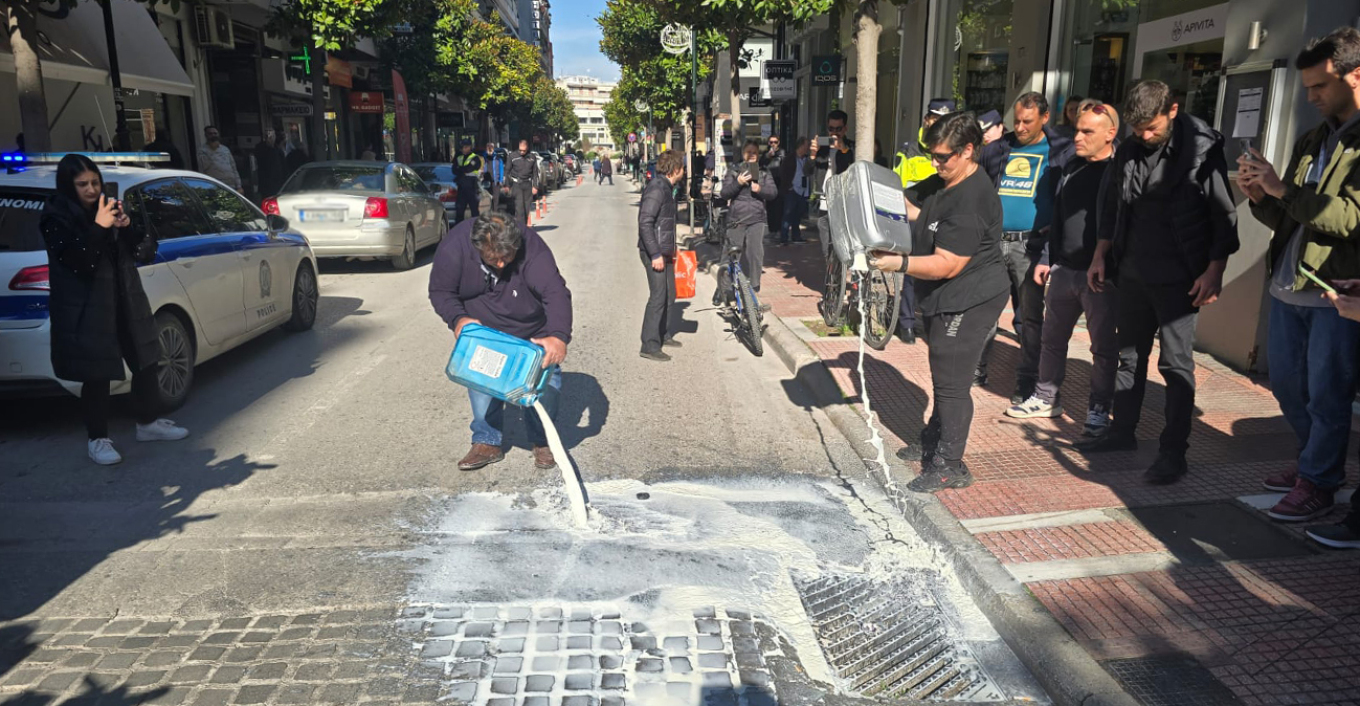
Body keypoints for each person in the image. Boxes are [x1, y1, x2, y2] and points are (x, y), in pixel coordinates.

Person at [1079, 80, 1239, 486]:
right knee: (1128, 357)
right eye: (1137, 129)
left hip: (1180, 278)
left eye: (1151, 127)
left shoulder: (1202, 150)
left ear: (1173, 110)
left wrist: (1215, 270)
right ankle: (1121, 433)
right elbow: (1113, 206)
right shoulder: (1130, 149)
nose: (1145, 135)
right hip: (1133, 272)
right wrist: (1100, 254)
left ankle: (1173, 453)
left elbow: (1223, 214)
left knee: (1175, 365)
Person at [1237, 26, 1360, 523]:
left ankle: (1319, 480)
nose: (1311, 97)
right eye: (1307, 87)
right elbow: (1291, 215)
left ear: (1356, 76)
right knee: (1289, 388)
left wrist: (1283, 190)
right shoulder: (1314, 138)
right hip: (1289, 285)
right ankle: (1314, 463)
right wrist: (1261, 196)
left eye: (1320, 86)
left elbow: (1351, 219)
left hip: (1335, 293)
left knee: (1328, 395)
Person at [868, 112, 1009, 492]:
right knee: (943, 373)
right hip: (945, 292)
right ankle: (934, 437)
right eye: (932, 154)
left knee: (952, 381)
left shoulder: (972, 199)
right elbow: (912, 206)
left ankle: (950, 465)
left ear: (968, 150)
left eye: (943, 156)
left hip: (972, 295)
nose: (935, 163)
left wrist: (897, 263)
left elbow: (948, 264)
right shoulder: (946, 179)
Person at [41, 154, 190, 465]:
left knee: (146, 358)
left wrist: (128, 226)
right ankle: (97, 439)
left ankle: (148, 423)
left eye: (94, 182)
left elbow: (143, 251)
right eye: (82, 184)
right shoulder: (56, 217)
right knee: (97, 374)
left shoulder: (108, 207)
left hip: (125, 297)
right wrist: (99, 226)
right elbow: (79, 261)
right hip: (87, 307)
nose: (91, 189)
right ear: (68, 186)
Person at [1007, 100, 1120, 439]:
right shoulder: (1071, 166)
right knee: (1052, 340)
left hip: (1100, 277)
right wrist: (1046, 258)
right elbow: (1057, 217)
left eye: (1087, 132)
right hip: (1063, 270)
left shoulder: (1120, 171)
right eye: (1077, 130)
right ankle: (1046, 397)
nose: (1077, 138)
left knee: (1103, 348)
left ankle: (1099, 408)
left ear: (1110, 134)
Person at [428, 212, 572, 472]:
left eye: (508, 256)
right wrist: (458, 319)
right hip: (485, 331)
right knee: (483, 385)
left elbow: (555, 292)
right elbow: (441, 291)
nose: (502, 263)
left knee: (544, 387)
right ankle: (487, 441)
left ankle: (543, 440)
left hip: (531, 329)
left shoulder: (532, 248)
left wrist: (558, 336)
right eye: (493, 258)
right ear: (477, 247)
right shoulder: (454, 247)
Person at [975, 92, 1074, 402]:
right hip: (993, 244)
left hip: (1029, 246)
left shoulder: (1061, 151)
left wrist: (1056, 229)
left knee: (1030, 318)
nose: (1019, 127)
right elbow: (977, 184)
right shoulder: (997, 149)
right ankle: (975, 369)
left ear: (1044, 118)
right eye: (1016, 120)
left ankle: (1027, 379)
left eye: (1027, 122)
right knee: (984, 311)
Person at [893, 99, 957, 345]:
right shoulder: (910, 149)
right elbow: (897, 185)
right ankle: (907, 323)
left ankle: (934, 322)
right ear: (926, 119)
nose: (938, 123)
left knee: (942, 272)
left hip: (945, 218)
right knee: (913, 272)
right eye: (934, 118)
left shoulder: (956, 149)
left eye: (944, 119)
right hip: (916, 219)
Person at [638, 150, 686, 361]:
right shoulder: (657, 188)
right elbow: (645, 222)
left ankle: (663, 334)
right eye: (682, 168)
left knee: (669, 294)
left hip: (664, 250)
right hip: (654, 252)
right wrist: (655, 253)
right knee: (658, 296)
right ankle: (649, 345)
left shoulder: (667, 187)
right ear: (675, 169)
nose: (684, 171)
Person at [719, 140, 777, 299]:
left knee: (756, 252)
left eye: (754, 152)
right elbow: (724, 193)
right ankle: (723, 289)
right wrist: (737, 183)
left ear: (758, 155)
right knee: (731, 253)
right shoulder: (734, 171)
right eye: (748, 152)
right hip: (737, 218)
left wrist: (760, 189)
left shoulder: (763, 172)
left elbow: (773, 193)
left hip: (756, 218)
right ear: (743, 154)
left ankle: (755, 287)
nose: (751, 155)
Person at [811, 109, 856, 260]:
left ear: (845, 129)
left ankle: (843, 271)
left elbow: (853, 165)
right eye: (831, 129)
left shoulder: (851, 147)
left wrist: (843, 149)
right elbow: (807, 171)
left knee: (842, 246)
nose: (834, 133)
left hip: (843, 202)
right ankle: (831, 274)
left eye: (838, 129)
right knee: (826, 248)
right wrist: (812, 154)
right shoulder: (822, 148)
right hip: (824, 202)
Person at [894, 99, 956, 188]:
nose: (941, 125)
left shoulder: (960, 152)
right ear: (926, 120)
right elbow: (897, 189)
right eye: (936, 119)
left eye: (946, 121)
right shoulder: (908, 152)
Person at [778, 137, 812, 245]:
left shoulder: (806, 159)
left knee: (798, 214)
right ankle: (784, 237)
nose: (808, 148)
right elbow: (783, 172)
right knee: (788, 214)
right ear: (801, 146)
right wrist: (788, 186)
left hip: (803, 190)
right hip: (792, 190)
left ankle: (796, 236)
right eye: (806, 145)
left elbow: (810, 171)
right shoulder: (790, 158)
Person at [197, 125, 242, 192]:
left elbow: (233, 168)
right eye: (210, 134)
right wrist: (213, 150)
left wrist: (239, 186)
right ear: (206, 135)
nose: (213, 135)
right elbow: (204, 167)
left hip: (231, 186)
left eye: (215, 133)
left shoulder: (225, 149)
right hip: (215, 186)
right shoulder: (202, 151)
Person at [506, 140, 540, 227]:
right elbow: (507, 171)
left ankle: (523, 226)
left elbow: (535, 173)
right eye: (520, 150)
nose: (522, 152)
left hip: (527, 184)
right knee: (519, 208)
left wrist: (535, 186)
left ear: (527, 148)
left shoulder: (532, 157)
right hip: (517, 185)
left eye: (524, 151)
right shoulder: (512, 156)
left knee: (526, 209)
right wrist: (507, 185)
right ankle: (520, 228)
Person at [761, 135, 785, 241]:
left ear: (778, 143)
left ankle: (779, 230)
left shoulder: (782, 152)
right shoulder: (766, 153)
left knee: (779, 207)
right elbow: (761, 163)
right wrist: (768, 156)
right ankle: (772, 230)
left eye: (775, 142)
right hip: (768, 181)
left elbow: (785, 165)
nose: (773, 144)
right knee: (770, 207)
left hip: (779, 182)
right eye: (771, 142)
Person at [453, 141, 485, 224]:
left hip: (472, 187)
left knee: (474, 210)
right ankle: (459, 228)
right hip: (461, 187)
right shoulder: (459, 157)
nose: (463, 149)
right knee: (459, 211)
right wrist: (462, 170)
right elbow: (454, 169)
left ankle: (476, 227)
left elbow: (468, 168)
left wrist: (460, 169)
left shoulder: (475, 158)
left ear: (470, 147)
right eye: (462, 147)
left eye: (465, 147)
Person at [253, 130, 285, 201]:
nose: (271, 138)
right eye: (268, 136)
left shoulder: (278, 150)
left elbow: (283, 165)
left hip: (277, 182)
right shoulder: (260, 148)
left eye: (272, 136)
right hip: (266, 183)